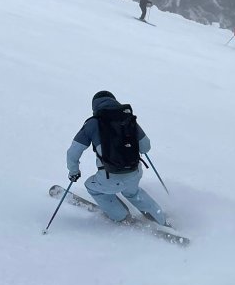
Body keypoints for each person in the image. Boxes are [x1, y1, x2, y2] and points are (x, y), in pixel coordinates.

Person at [66, 90, 169, 226]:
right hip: (134, 171)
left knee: (92, 187)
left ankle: (121, 216)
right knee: (133, 193)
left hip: (110, 176)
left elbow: (73, 152)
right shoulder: (128, 119)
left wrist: (74, 172)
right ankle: (160, 219)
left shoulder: (92, 123)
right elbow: (145, 147)